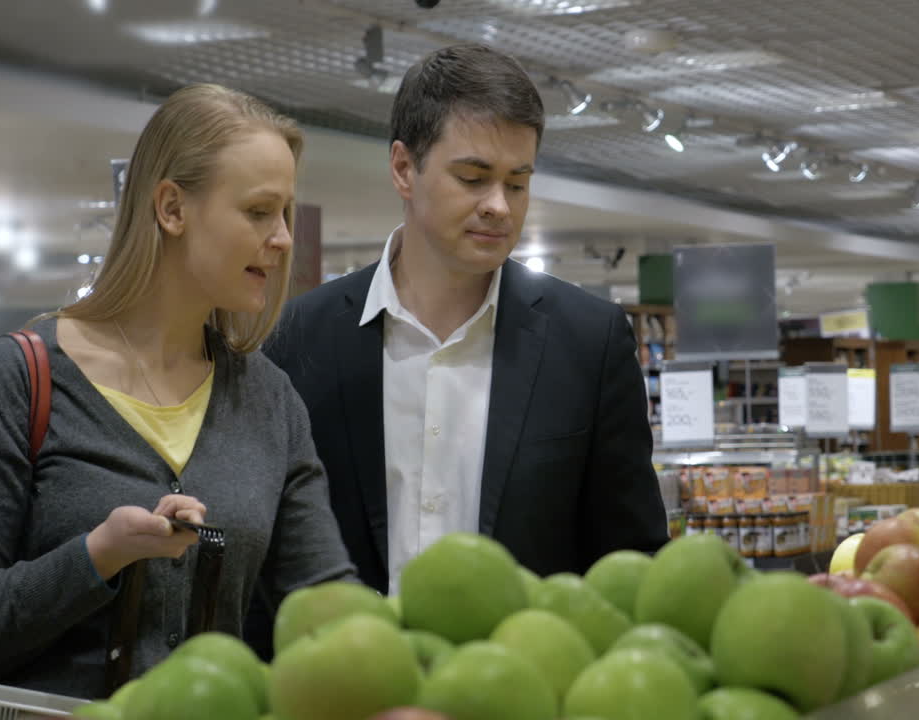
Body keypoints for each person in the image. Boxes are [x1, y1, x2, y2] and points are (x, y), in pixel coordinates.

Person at [0, 84, 354, 698]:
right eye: (257, 212)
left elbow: (327, 604)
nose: (283, 238)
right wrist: (96, 556)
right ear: (171, 208)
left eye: (286, 215)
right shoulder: (13, 382)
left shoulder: (270, 403)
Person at [266, 44, 668, 595]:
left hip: (528, 676)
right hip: (347, 675)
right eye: (474, 178)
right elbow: (269, 559)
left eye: (518, 182)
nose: (500, 206)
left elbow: (632, 562)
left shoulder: (588, 342)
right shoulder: (297, 339)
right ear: (404, 168)